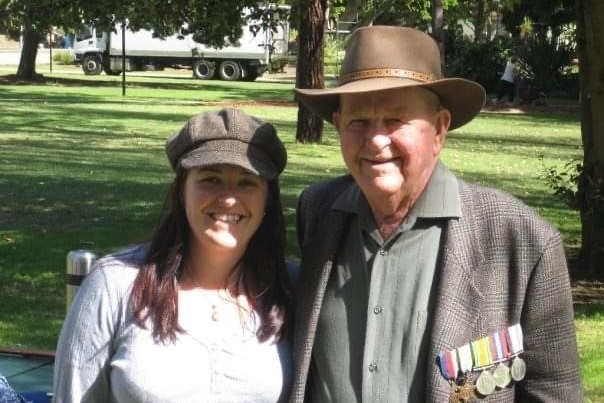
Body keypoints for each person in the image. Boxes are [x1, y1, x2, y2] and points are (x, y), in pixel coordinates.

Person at [291, 26, 582, 402]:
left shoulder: (522, 241)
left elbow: (554, 393)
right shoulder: (317, 212)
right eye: (358, 121)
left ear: (440, 129)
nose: (376, 140)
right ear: (337, 126)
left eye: (396, 120)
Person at [53, 108, 294, 402]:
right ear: (182, 190)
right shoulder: (113, 285)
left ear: (268, 197)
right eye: (210, 179)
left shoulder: (293, 289)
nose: (229, 197)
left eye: (247, 182)